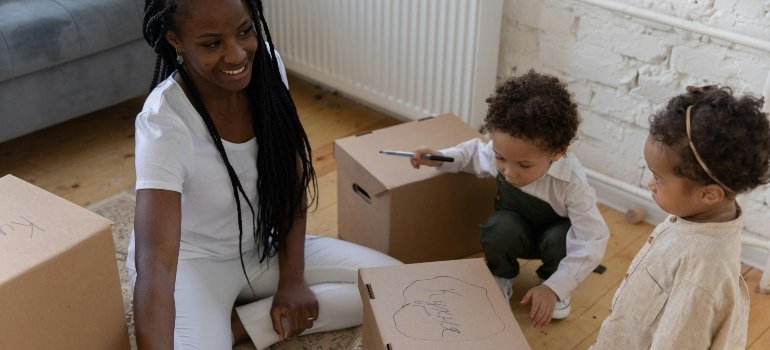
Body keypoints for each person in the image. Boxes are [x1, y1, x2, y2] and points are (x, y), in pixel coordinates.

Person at [129, 0, 401, 349]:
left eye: (244, 31)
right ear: (175, 40)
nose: (237, 55)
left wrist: (291, 281)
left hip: (260, 248)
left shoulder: (267, 65)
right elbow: (156, 266)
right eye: (212, 43)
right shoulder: (163, 124)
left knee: (397, 286)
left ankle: (239, 324)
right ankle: (214, 322)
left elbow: (290, 178)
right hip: (193, 265)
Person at [410, 70, 610, 328]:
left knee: (561, 238)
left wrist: (556, 287)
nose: (509, 171)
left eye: (524, 165)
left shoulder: (572, 182)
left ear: (557, 154)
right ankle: (501, 275)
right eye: (500, 158)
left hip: (554, 239)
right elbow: (471, 154)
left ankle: (550, 282)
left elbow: (591, 238)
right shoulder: (503, 154)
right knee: (498, 227)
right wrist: (439, 157)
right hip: (516, 230)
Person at [591, 85, 770, 349]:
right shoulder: (696, 215)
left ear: (709, 195)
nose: (650, 184)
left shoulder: (700, 278)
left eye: (659, 179)